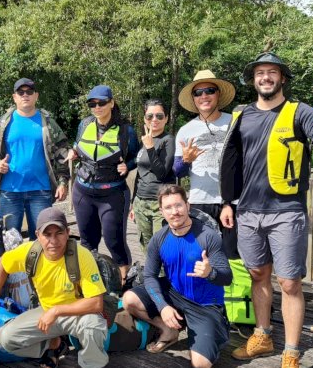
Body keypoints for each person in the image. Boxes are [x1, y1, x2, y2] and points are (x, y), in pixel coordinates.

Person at [219, 52, 313, 368]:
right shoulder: (242, 115)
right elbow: (231, 161)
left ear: (282, 78)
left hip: (286, 211)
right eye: (260, 73)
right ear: (254, 79)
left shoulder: (298, 112)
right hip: (247, 211)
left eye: (272, 72)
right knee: (259, 275)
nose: (266, 77)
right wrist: (227, 202)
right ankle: (263, 336)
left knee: (289, 283)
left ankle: (291, 352)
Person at [0, 207, 108, 368]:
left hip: (77, 313)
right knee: (6, 338)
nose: (53, 241)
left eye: (59, 233)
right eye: (47, 234)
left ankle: (92, 366)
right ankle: (53, 344)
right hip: (45, 312)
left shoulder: (81, 255)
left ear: (68, 233)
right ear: (38, 235)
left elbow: (96, 304)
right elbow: (2, 265)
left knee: (93, 326)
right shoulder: (30, 252)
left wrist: (56, 311)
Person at [122, 184, 232, 368]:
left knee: (201, 365)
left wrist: (210, 272)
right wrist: (163, 307)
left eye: (178, 205)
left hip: (205, 304)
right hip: (174, 293)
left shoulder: (208, 236)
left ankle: (209, 330)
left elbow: (227, 277)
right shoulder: (159, 239)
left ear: (188, 206)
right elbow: (149, 275)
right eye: (168, 208)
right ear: (162, 211)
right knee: (129, 299)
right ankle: (168, 329)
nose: (175, 212)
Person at [0, 78, 71, 240]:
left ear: (36, 96)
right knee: (8, 239)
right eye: (21, 92)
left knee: (42, 239)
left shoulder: (49, 123)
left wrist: (62, 182)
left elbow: (62, 153)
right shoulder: (1, 124)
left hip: (41, 190)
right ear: (14, 97)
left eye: (29, 92)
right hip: (10, 191)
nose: (25, 95)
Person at [69, 85, 139, 281]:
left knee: (113, 240)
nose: (97, 107)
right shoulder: (84, 124)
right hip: (83, 191)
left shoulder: (126, 131)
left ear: (111, 103)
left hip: (112, 194)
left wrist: (128, 166)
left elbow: (136, 156)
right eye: (93, 104)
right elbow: (78, 146)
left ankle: (123, 283)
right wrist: (73, 152)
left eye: (101, 103)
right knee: (87, 242)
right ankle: (90, 282)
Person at [173, 70, 239, 259]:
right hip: (200, 201)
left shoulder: (234, 123)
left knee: (233, 256)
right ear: (194, 99)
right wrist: (186, 160)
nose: (204, 96)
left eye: (209, 90)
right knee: (201, 254)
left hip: (232, 201)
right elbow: (178, 171)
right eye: (198, 93)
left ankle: (234, 289)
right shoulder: (186, 130)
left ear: (218, 94)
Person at [128, 99, 175, 252]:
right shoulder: (145, 140)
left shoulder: (168, 140)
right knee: (146, 247)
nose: (154, 120)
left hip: (159, 204)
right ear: (144, 119)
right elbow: (140, 174)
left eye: (159, 116)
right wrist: (133, 204)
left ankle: (165, 276)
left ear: (166, 118)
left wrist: (150, 147)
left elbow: (162, 173)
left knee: (161, 246)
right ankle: (151, 276)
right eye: (150, 116)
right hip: (141, 202)